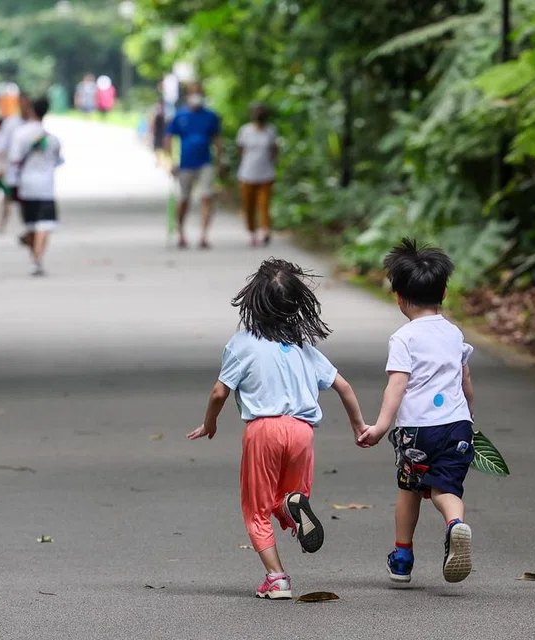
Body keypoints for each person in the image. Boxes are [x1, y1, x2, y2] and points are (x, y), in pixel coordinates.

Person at [188, 258, 369, 600]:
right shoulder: (303, 347)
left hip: (264, 430)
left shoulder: (242, 343)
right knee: (285, 496)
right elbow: (343, 386)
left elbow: (218, 393)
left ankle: (277, 578)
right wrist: (359, 426)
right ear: (296, 304)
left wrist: (210, 422)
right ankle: (290, 506)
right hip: (302, 431)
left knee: (256, 508)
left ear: (252, 300)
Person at [357, 238, 476, 585]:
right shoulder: (454, 333)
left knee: (410, 490)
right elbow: (466, 382)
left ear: (399, 296)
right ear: (444, 293)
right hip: (457, 426)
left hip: (418, 431)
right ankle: (455, 524)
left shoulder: (404, 338)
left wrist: (380, 427)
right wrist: (468, 417)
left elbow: (397, 385)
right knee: (446, 488)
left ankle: (403, 558)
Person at [8, 96, 62, 277]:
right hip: (46, 186)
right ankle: (37, 259)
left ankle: (35, 258)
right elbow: (58, 161)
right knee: (44, 225)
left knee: (32, 225)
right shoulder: (53, 139)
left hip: (26, 185)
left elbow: (14, 159)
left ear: (31, 110)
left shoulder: (20, 134)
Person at [165, 83, 222, 249]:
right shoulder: (180, 115)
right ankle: (181, 232)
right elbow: (169, 138)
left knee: (207, 197)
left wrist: (220, 160)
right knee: (184, 199)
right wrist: (171, 161)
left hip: (206, 162)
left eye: (199, 93)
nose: (196, 96)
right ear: (187, 96)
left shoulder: (210, 116)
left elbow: (217, 138)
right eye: (193, 93)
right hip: (185, 164)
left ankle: (204, 235)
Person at [236, 103, 279, 247]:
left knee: (264, 204)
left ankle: (265, 231)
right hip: (247, 174)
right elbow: (240, 149)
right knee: (249, 206)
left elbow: (274, 150)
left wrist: (272, 163)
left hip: (266, 174)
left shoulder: (271, 131)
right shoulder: (245, 131)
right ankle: (252, 232)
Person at [0, 93, 32, 234]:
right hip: (13, 169)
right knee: (8, 198)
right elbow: (0, 146)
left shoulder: (33, 123)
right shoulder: (11, 123)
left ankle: (28, 226)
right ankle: (1, 223)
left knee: (26, 200)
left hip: (29, 170)